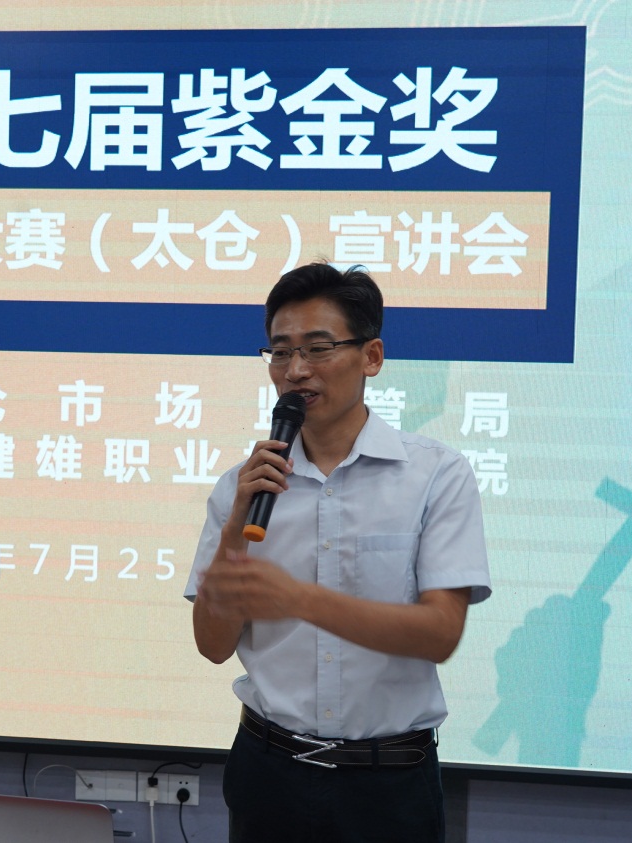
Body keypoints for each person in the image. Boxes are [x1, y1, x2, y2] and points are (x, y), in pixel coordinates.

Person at [184, 263, 491, 843]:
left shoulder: (435, 476)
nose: (296, 370)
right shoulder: (242, 488)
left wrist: (299, 599)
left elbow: (440, 633)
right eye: (280, 352)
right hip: (268, 772)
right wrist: (233, 534)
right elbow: (212, 646)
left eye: (318, 349)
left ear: (371, 356)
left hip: (389, 786)